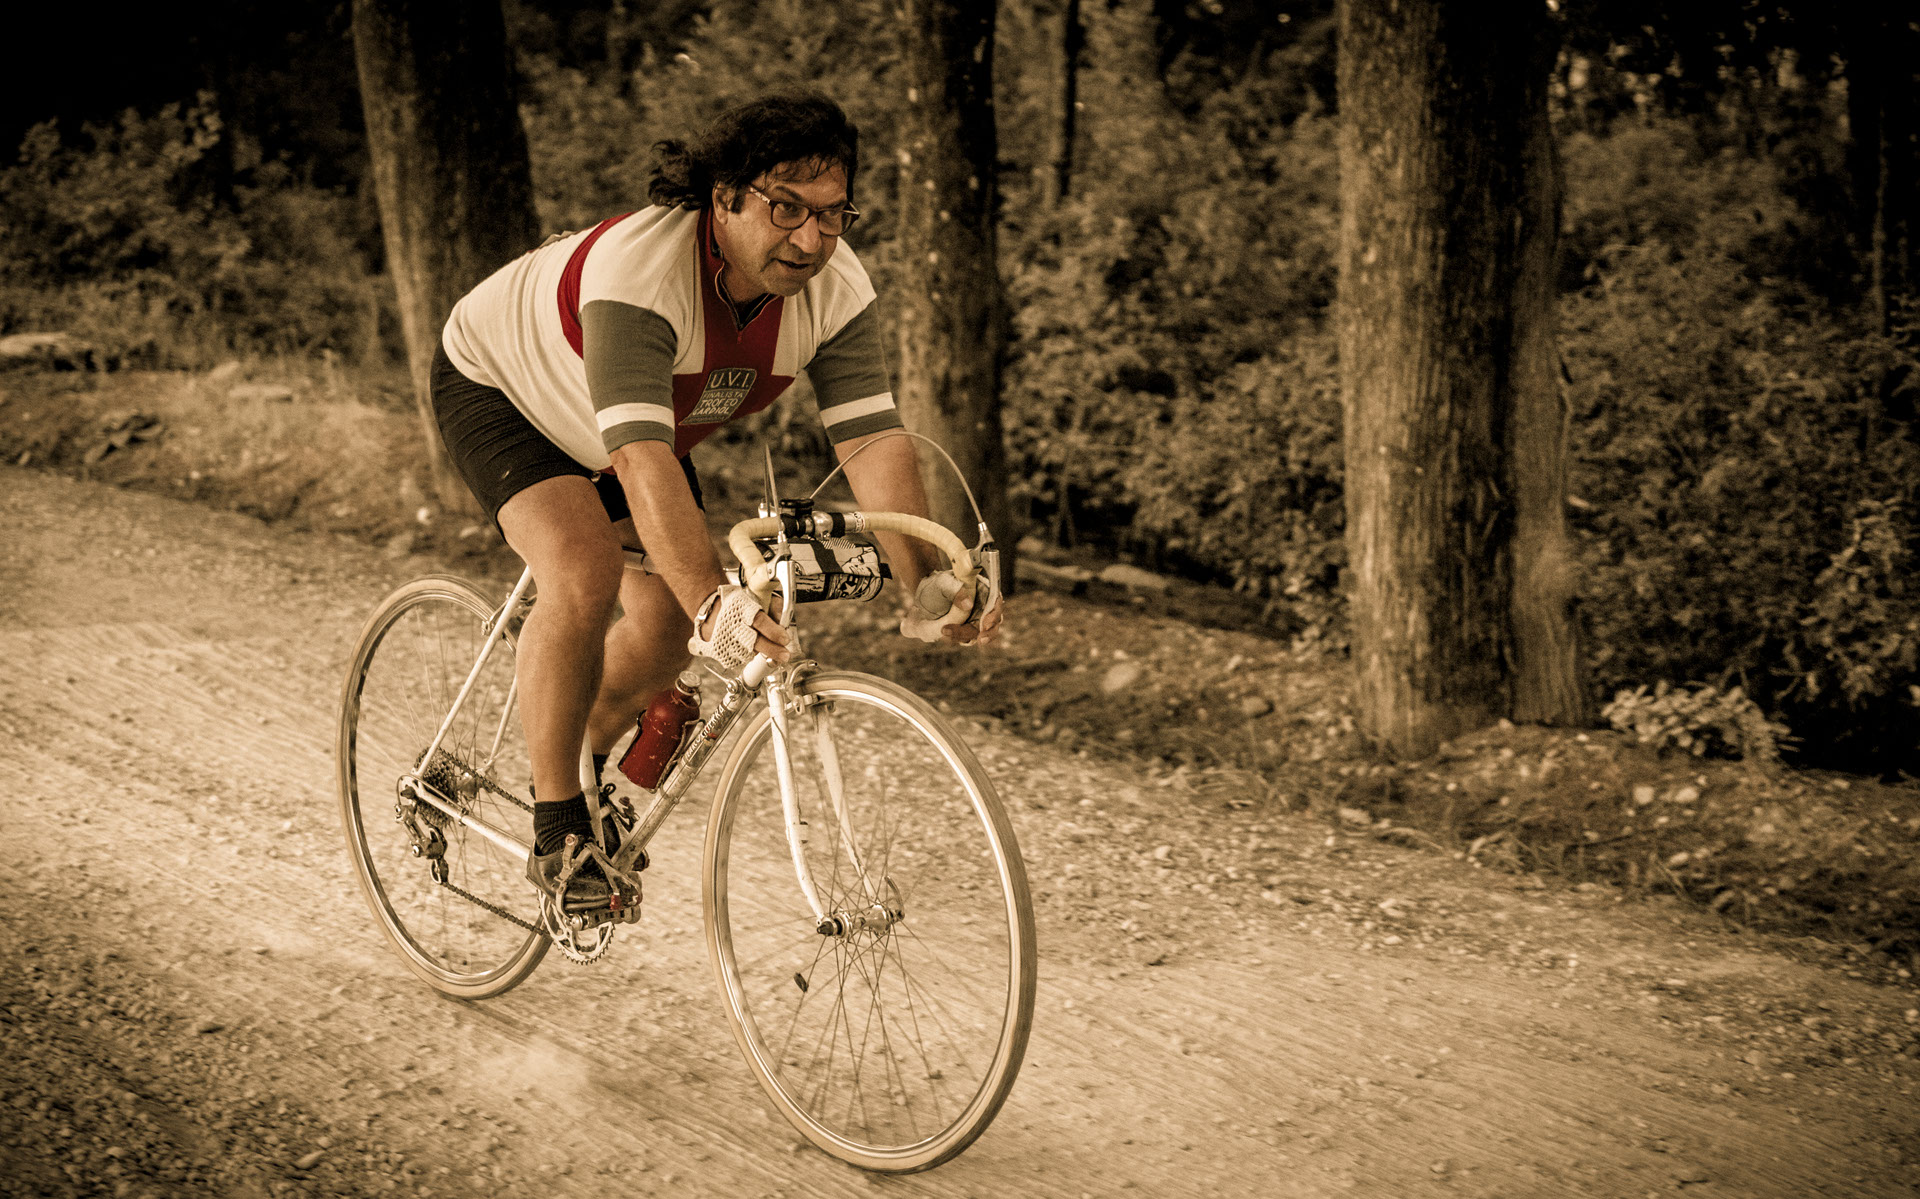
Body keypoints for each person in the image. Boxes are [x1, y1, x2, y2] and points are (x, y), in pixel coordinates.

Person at [431, 92, 1003, 905]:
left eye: (834, 214)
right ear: (725, 197)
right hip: (505, 389)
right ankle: (558, 830)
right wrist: (715, 605)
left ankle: (581, 750)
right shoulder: (643, 271)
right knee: (586, 571)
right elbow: (638, 454)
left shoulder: (836, 286)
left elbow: (872, 440)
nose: (811, 239)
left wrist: (924, 579)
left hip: (628, 434)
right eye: (786, 208)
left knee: (666, 624)